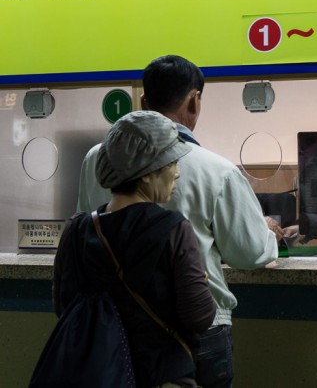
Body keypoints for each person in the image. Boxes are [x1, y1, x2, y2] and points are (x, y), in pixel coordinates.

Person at [77, 55, 279, 388]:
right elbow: (250, 254)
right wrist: (268, 233)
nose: (176, 173)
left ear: (143, 101)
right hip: (195, 339)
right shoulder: (214, 169)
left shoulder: (95, 160)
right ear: (194, 100)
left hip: (115, 329)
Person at [54, 111, 216, 387]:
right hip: (161, 375)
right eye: (171, 162)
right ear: (146, 174)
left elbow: (63, 307)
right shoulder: (173, 229)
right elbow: (200, 317)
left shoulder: (76, 230)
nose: (177, 172)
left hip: (97, 374)